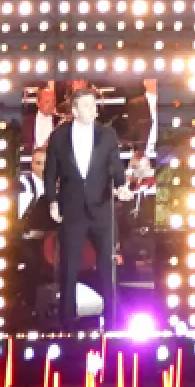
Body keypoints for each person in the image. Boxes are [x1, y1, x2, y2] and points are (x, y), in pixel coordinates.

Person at [46, 82, 127, 330]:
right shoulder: (59, 137)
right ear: (75, 109)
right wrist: (52, 201)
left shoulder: (107, 135)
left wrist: (121, 185)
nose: (93, 110)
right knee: (69, 266)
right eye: (88, 106)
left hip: (101, 207)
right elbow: (51, 173)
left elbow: (116, 164)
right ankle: (67, 321)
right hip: (72, 208)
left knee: (107, 265)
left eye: (94, 105)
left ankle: (113, 320)